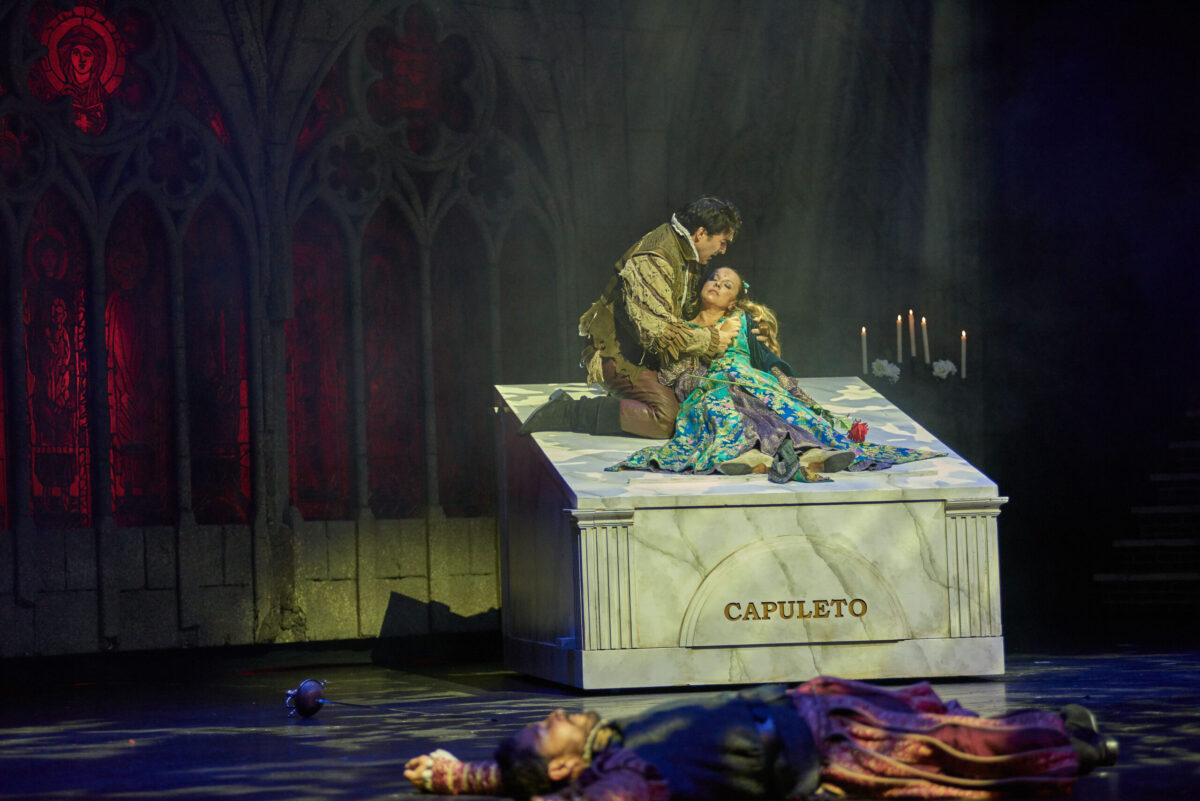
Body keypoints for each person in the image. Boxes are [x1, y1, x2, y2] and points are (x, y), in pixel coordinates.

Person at [402, 675, 1119, 800]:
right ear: (563, 769)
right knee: (956, 749)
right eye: (546, 729)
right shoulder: (619, 775)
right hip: (824, 750)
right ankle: (1073, 748)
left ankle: (1062, 731)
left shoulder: (606, 746)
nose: (554, 718)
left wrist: (462, 774)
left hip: (813, 709)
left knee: (945, 723)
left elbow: (521, 773)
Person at [611, 266, 942, 483]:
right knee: (718, 404)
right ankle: (749, 454)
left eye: (727, 285)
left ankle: (813, 453)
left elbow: (767, 359)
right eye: (714, 279)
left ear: (734, 300)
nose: (717, 285)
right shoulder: (681, 328)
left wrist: (783, 381)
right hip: (705, 386)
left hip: (748, 381)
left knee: (770, 404)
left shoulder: (741, 323)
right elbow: (669, 371)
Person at [519, 196, 743, 439]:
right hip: (616, 353)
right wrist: (712, 339)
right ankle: (570, 412)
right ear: (700, 234)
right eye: (722, 242)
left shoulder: (686, 254)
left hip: (645, 353)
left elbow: (684, 313)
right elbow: (656, 332)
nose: (723, 250)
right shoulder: (655, 257)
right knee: (666, 419)